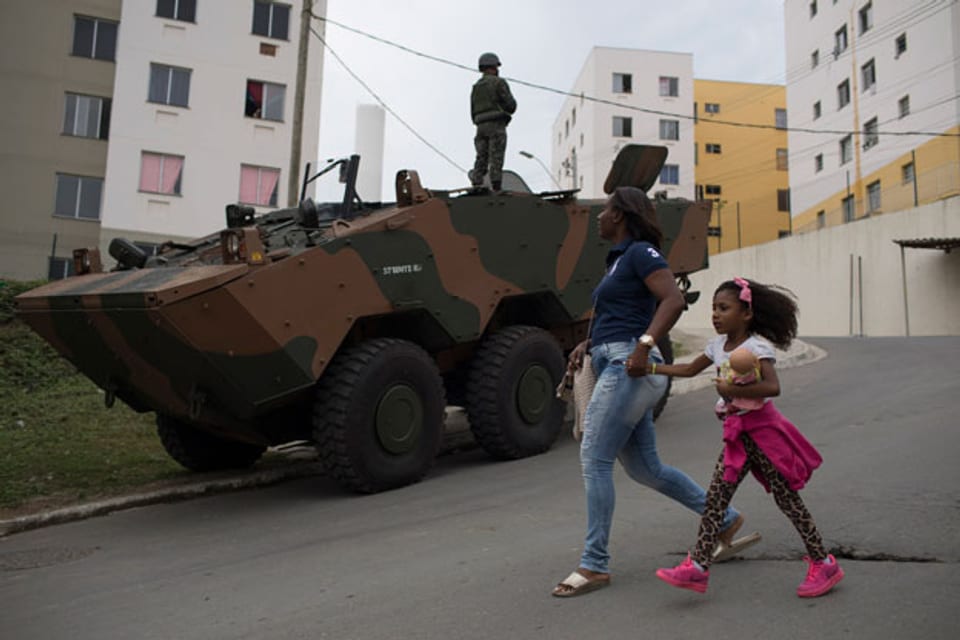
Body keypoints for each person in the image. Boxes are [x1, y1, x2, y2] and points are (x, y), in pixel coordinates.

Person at [551, 187, 748, 598]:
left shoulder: (641, 252)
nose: (599, 217)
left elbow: (673, 300)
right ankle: (725, 519)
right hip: (613, 359)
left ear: (621, 216)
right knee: (647, 469)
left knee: (594, 458)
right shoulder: (618, 262)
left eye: (605, 210)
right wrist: (586, 346)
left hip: (631, 364)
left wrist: (643, 345)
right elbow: (619, 313)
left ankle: (594, 565)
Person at [652, 277, 844, 598]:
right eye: (713, 308)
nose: (715, 315)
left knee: (787, 500)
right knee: (715, 499)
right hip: (736, 437)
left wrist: (729, 389)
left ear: (746, 314)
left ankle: (824, 563)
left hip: (763, 434)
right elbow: (687, 370)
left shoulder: (755, 348)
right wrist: (651, 370)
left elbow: (772, 387)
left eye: (723, 308)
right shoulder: (717, 347)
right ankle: (697, 568)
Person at [469, 52, 516, 192]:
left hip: (480, 126)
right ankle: (496, 186)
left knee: (481, 156)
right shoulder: (499, 82)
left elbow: (472, 110)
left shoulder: (476, 87)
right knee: (496, 156)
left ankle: (476, 183)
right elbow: (511, 105)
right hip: (496, 124)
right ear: (494, 67)